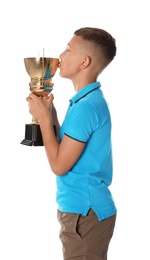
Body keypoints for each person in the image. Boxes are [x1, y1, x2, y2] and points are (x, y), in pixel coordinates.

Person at [26, 27, 117, 260]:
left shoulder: (86, 107)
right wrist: (50, 112)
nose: (61, 55)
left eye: (68, 50)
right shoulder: (85, 101)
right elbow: (64, 146)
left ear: (84, 62)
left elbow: (59, 165)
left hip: (85, 213)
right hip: (83, 210)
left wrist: (45, 120)